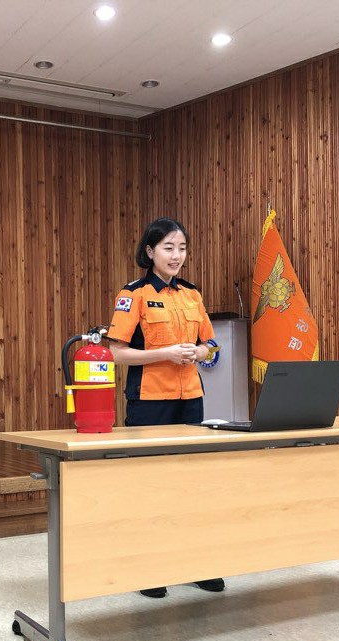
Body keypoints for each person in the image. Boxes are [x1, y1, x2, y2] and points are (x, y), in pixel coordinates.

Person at [107, 217, 225, 599]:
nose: (176, 256)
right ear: (150, 251)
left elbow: (212, 346)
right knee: (150, 484)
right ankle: (149, 568)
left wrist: (199, 352)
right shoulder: (134, 294)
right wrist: (166, 353)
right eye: (168, 248)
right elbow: (116, 353)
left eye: (182, 248)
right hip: (149, 402)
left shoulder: (192, 294)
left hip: (190, 399)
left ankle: (196, 564)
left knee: (192, 484)